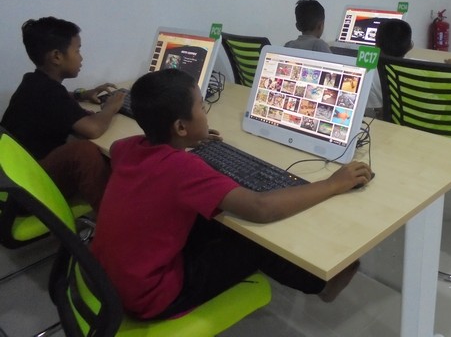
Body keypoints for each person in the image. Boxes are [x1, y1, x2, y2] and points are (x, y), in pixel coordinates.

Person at [91, 69, 373, 320]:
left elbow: (122, 151)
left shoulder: (127, 148)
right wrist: (333, 184)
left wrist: (187, 140)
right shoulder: (181, 169)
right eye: (202, 107)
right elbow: (260, 207)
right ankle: (322, 285)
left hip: (106, 278)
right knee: (249, 238)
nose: (206, 112)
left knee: (213, 219)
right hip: (150, 297)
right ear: (180, 127)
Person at [1, 16, 125, 211]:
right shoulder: (49, 93)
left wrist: (82, 94)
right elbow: (93, 129)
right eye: (77, 50)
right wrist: (111, 106)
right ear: (57, 56)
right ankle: (112, 218)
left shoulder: (34, 82)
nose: (81, 57)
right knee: (84, 152)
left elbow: (60, 99)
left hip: (14, 175)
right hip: (27, 191)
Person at [366, 19, 413, 117]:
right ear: (410, 46)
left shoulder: (369, 75)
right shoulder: (426, 68)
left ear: (376, 44)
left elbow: (382, 114)